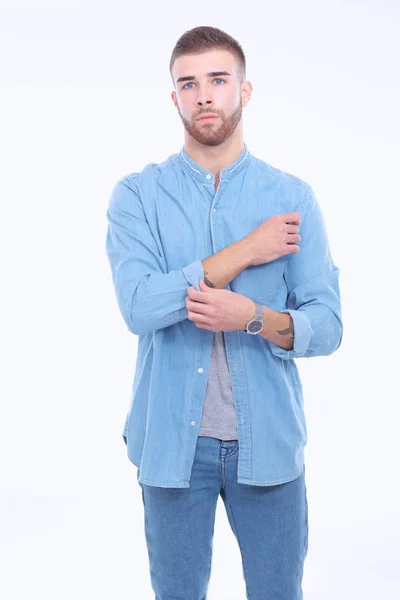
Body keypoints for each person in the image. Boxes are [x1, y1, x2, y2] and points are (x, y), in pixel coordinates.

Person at [105, 25, 343, 600]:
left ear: (245, 90)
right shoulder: (138, 195)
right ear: (175, 98)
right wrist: (248, 251)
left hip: (269, 444)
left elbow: (329, 325)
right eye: (189, 84)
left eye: (218, 79)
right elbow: (138, 307)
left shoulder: (292, 197)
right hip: (171, 446)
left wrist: (253, 317)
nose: (204, 95)